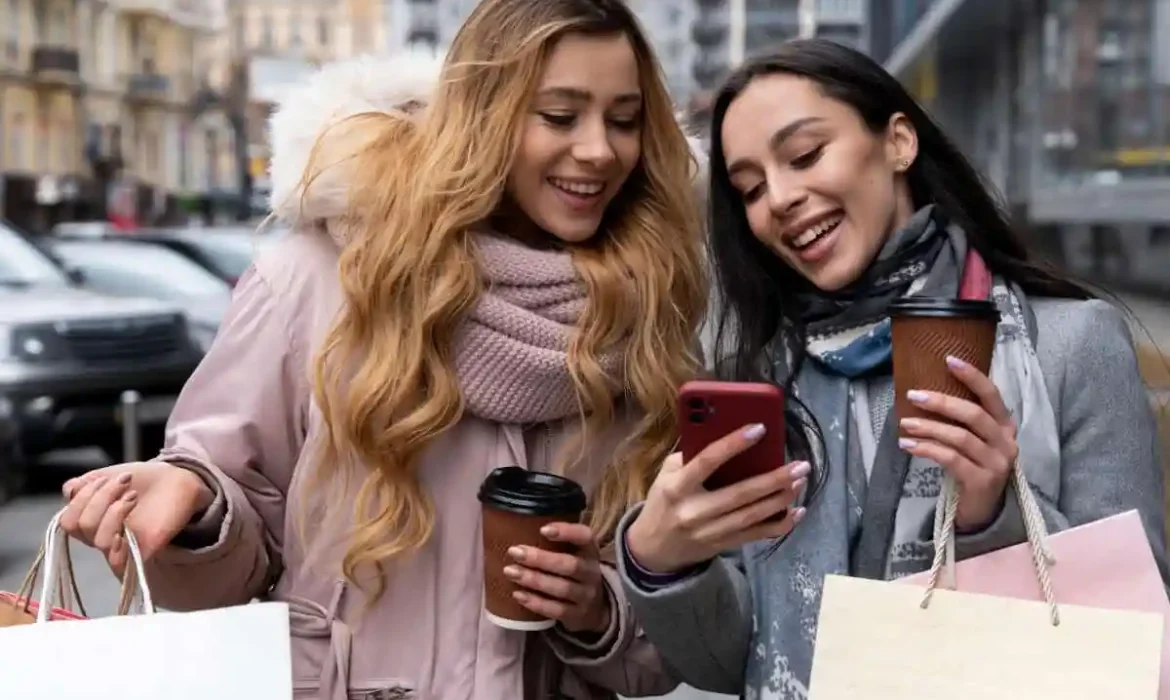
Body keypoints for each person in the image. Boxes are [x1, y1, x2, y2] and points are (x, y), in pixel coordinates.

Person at [56, 1, 708, 698]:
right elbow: (232, 537)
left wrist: (595, 608)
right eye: (558, 115)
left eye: (624, 119)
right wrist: (193, 504)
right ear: (482, 116)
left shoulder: (645, 313)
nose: (599, 150)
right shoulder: (317, 277)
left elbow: (660, 657)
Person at [615, 39, 1167, 699]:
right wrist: (662, 561)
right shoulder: (764, 381)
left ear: (899, 142)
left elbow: (1135, 635)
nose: (781, 199)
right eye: (751, 189)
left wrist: (993, 513)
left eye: (805, 155)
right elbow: (735, 661)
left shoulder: (1071, 345)